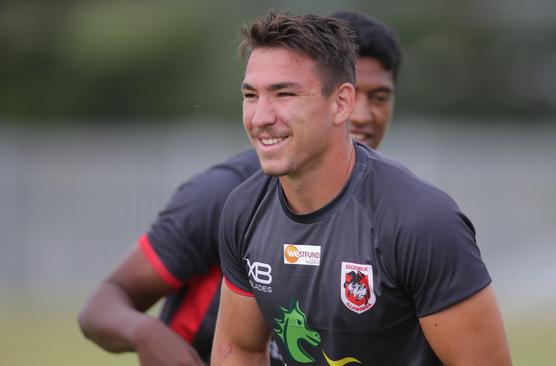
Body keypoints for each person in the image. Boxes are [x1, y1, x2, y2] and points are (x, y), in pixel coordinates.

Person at [77, 10, 403, 366]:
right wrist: (149, 335)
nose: (362, 114)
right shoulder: (227, 195)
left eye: (379, 97)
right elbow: (102, 305)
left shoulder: (391, 209)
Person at [211, 11, 512, 366]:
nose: (260, 116)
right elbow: (239, 349)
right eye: (251, 95)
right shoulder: (244, 209)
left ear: (341, 103)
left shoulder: (422, 222)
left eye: (284, 94)